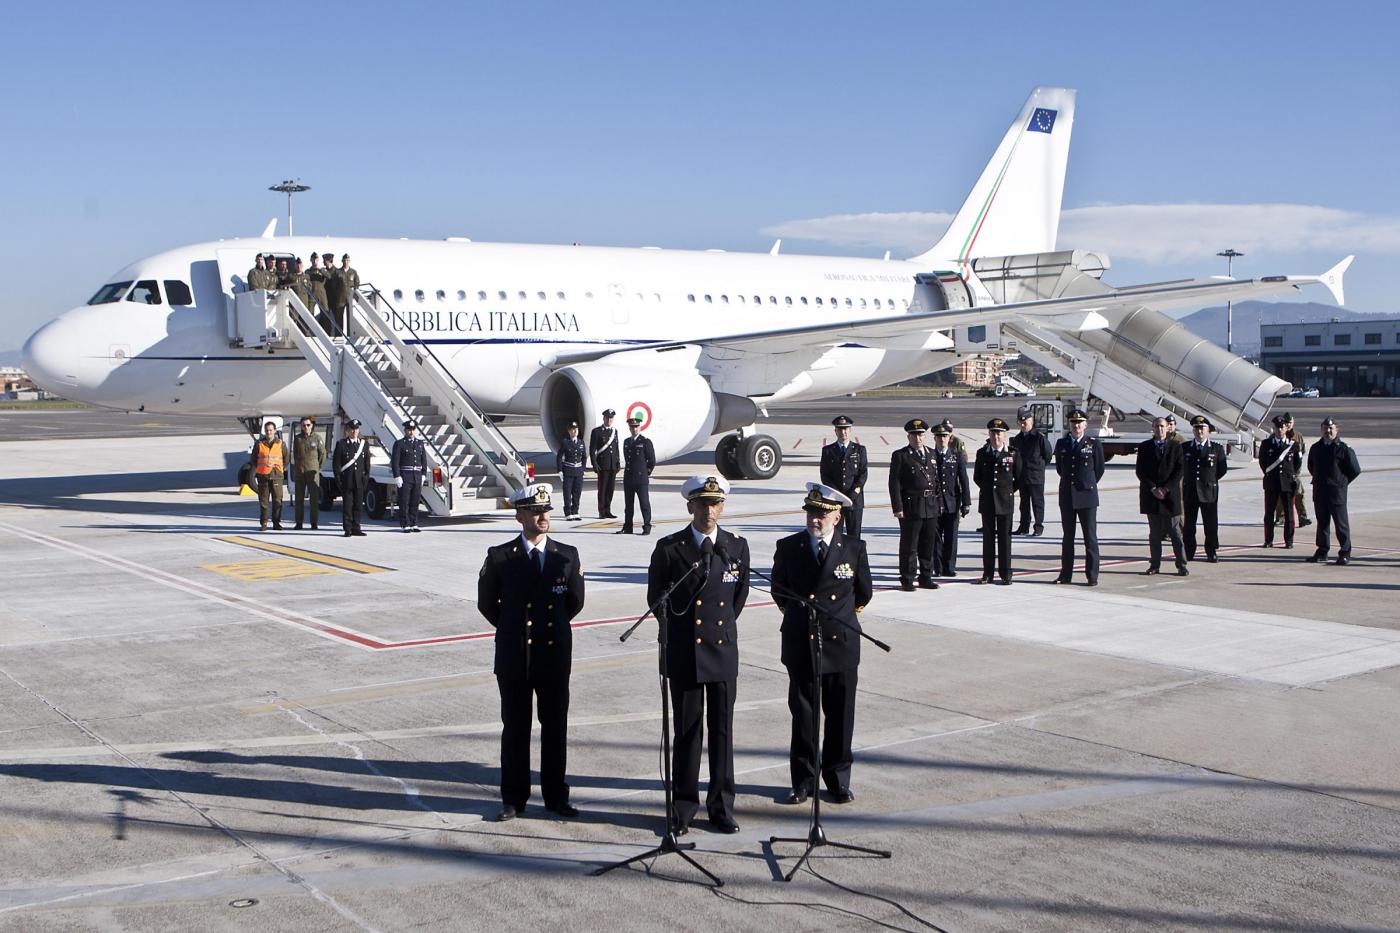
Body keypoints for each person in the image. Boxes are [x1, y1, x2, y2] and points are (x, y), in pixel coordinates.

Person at [647, 475, 750, 835]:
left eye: (716, 503)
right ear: (690, 506)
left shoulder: (735, 546)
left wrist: (717, 630)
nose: (710, 510)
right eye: (703, 503)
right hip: (685, 652)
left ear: (722, 506)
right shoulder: (670, 548)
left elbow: (737, 597)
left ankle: (722, 807)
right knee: (688, 732)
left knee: (722, 732)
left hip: (721, 651)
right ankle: (684, 807)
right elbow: (656, 598)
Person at [477, 483, 584, 822]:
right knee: (515, 729)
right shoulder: (500, 556)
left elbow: (574, 602)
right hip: (514, 657)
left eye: (546, 511)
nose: (542, 516)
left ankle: (555, 796)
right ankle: (514, 798)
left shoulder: (566, 555)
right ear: (519, 514)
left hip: (553, 656)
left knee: (555, 729)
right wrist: (514, 629)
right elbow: (487, 604)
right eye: (535, 511)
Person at [771, 483, 871, 805]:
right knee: (804, 717)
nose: (815, 519)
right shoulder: (789, 547)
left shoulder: (854, 548)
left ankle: (838, 779)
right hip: (802, 643)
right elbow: (779, 591)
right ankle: (803, 781)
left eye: (822, 514)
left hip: (840, 644)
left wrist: (837, 618)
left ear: (837, 517)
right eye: (811, 512)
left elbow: (863, 592)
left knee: (841, 717)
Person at [1054, 409, 1105, 586]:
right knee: (1068, 538)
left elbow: (1099, 469)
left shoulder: (1093, 443)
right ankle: (1065, 574)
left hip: (1087, 496)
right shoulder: (1061, 444)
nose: (1076, 426)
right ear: (1069, 424)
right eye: (1073, 423)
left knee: (1090, 537)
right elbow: (1061, 469)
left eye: (1080, 422)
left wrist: (1086, 483)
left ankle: (1092, 575)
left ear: (1085, 424)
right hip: (1068, 496)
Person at [888, 419, 940, 591]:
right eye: (914, 435)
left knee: (928, 544)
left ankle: (926, 577)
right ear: (908, 436)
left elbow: (937, 481)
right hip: (911, 506)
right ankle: (907, 578)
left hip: (930, 505)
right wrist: (898, 507)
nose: (918, 438)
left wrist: (938, 503)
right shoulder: (901, 455)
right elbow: (894, 483)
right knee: (909, 545)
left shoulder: (932, 454)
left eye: (921, 435)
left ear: (925, 436)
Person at [1136, 416, 1188, 577]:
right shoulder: (1145, 447)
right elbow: (1140, 471)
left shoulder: (1176, 446)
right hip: (1151, 495)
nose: (1160, 429)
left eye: (1162, 426)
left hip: (1169, 496)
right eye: (1157, 426)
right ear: (1152, 429)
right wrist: (1153, 488)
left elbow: (1180, 470)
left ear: (1168, 428)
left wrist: (1165, 489)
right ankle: (1155, 564)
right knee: (1154, 533)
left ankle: (1181, 564)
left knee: (1175, 532)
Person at [1306, 417, 1361, 565]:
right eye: (1325, 428)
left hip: (1336, 493)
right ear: (1321, 429)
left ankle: (1345, 552)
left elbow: (1355, 470)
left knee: (1341, 524)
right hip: (1320, 491)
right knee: (1322, 523)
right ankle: (1322, 551)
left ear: (1336, 430)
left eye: (1331, 428)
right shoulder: (1316, 448)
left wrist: (1341, 483)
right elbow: (1311, 466)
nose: (1328, 431)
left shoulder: (1343, 448)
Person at [974, 418, 1022, 585]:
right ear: (989, 434)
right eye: (993, 432)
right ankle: (988, 574)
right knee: (988, 540)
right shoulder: (982, 453)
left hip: (1005, 502)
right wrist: (990, 491)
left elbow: (1019, 478)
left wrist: (1007, 491)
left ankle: (1006, 574)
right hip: (987, 502)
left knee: (1005, 539)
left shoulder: (1013, 453)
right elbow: (977, 477)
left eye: (999, 433)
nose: (996, 436)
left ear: (1005, 435)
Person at [1181, 415, 1229, 562]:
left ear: (1208, 430)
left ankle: (1211, 551)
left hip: (1209, 491)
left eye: (1202, 428)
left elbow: (1222, 469)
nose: (1199, 431)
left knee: (1211, 524)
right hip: (1190, 491)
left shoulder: (1216, 448)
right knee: (1189, 525)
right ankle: (1189, 551)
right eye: (1196, 428)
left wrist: (1209, 481)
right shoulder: (1185, 448)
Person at [930, 421, 970, 577]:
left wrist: (966, 502)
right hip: (934, 503)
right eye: (939, 436)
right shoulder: (930, 455)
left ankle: (949, 567)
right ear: (934, 438)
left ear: (949, 437)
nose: (941, 439)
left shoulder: (956, 455)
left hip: (952, 502)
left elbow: (964, 479)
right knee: (935, 538)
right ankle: (938, 568)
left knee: (951, 537)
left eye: (944, 436)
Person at [819, 415, 868, 540]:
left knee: (854, 536)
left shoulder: (859, 450)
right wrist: (837, 494)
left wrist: (854, 492)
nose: (843, 432)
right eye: (840, 429)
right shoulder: (828, 451)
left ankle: (854, 560)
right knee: (835, 536)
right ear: (835, 431)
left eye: (846, 429)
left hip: (854, 500)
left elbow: (863, 474)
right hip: (836, 502)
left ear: (850, 430)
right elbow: (825, 476)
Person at [1260, 414, 1302, 549]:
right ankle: (1268, 540)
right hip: (1271, 483)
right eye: (1277, 427)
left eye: (1282, 427)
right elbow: (1263, 463)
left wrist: (1290, 477)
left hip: (1287, 484)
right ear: (1273, 429)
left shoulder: (1293, 445)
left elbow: (1297, 464)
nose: (1279, 430)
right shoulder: (1266, 444)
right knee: (1269, 514)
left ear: (1286, 428)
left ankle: (1288, 541)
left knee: (1289, 515)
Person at [1010, 407, 1053, 536]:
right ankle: (1024, 526)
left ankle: (1038, 527)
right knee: (1024, 504)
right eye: (1021, 423)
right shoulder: (1017, 439)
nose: (1023, 425)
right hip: (1022, 477)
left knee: (1037, 503)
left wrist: (1038, 467)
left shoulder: (1039, 438)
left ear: (1031, 421)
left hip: (1036, 476)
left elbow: (1048, 456)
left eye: (1026, 422)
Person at [618, 413, 656, 535]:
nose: (634, 429)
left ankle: (647, 526)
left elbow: (651, 460)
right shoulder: (627, 442)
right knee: (628, 506)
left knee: (644, 504)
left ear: (639, 427)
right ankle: (628, 527)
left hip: (641, 479)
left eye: (636, 426)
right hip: (629, 478)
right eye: (632, 427)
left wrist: (646, 473)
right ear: (629, 428)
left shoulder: (645, 442)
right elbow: (627, 458)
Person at [333, 419, 370, 537]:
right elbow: (337, 464)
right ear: (348, 430)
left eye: (356, 429)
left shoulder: (364, 444)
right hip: (347, 480)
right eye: (352, 429)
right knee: (347, 506)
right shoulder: (341, 444)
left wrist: (366, 478)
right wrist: (338, 479)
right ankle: (347, 528)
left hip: (359, 480)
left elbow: (367, 463)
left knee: (358, 505)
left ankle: (356, 527)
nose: (354, 431)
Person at [390, 420, 428, 533]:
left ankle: (413, 523)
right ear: (405, 430)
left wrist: (424, 474)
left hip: (417, 475)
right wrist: (397, 476)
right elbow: (395, 462)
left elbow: (423, 460)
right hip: (405, 475)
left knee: (415, 501)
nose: (411, 432)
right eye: (409, 430)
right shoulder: (400, 443)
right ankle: (404, 523)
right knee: (404, 501)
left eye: (413, 430)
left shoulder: (420, 443)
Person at [1277, 413, 1312, 528]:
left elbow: (1302, 451)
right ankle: (1280, 517)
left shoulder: (1298, 436)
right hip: (1282, 472)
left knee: (1299, 494)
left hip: (1295, 471)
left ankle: (1302, 517)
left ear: (1293, 423)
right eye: (1286, 423)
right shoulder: (1279, 435)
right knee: (1281, 496)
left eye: (1290, 423)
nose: (1288, 425)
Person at [250, 421, 287, 531]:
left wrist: (279, 469)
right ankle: (264, 523)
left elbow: (286, 459)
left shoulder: (281, 444)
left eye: (271, 430)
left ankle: (276, 523)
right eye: (267, 430)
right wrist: (261, 468)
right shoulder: (259, 444)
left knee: (277, 500)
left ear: (275, 431)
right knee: (263, 501)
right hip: (263, 476)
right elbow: (253, 459)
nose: (269, 432)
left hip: (276, 476)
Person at [291, 417, 326, 530]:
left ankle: (314, 523)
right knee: (299, 499)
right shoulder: (297, 439)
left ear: (312, 426)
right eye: (303, 425)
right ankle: (299, 523)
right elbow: (295, 454)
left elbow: (322, 454)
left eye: (308, 425)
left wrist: (317, 466)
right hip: (300, 472)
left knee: (314, 500)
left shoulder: (317, 438)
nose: (306, 427)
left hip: (312, 473)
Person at [588, 408, 620, 519]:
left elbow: (616, 448)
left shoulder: (614, 431)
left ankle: (608, 510)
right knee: (602, 489)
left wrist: (618, 462)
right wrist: (594, 464)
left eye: (611, 418)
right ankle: (602, 511)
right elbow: (592, 450)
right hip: (603, 465)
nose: (609, 420)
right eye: (607, 418)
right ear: (604, 418)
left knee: (610, 489)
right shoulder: (597, 432)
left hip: (612, 465)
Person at [555, 421, 586, 521]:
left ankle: (575, 511)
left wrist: (583, 469)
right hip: (568, 470)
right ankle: (568, 512)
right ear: (569, 431)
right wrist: (560, 470)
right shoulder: (565, 442)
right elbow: (559, 457)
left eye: (576, 429)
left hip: (578, 471)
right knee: (567, 493)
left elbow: (584, 457)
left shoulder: (581, 442)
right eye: (573, 429)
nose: (575, 431)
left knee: (577, 492)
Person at [307, 253, 333, 331]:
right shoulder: (308, 271)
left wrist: (320, 270)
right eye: (313, 259)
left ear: (318, 260)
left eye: (316, 259)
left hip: (321, 294)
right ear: (310, 260)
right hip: (312, 293)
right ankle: (308, 331)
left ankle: (327, 331)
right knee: (310, 313)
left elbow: (329, 276)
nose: (314, 261)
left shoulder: (322, 270)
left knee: (325, 312)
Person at [336, 253, 360, 326]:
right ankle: (339, 334)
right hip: (340, 298)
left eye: (347, 260)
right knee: (339, 317)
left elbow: (357, 282)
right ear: (342, 261)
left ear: (349, 261)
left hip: (350, 297)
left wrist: (354, 292)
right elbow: (334, 284)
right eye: (344, 260)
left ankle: (350, 335)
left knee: (350, 317)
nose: (346, 262)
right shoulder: (338, 272)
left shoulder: (353, 272)